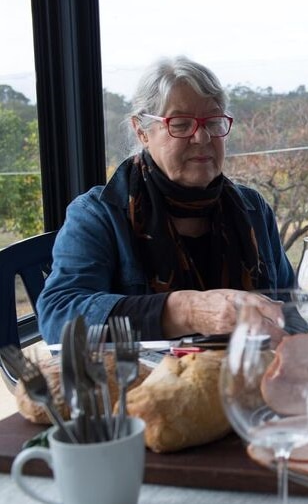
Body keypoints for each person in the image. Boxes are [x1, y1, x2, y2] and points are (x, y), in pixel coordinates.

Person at [37, 56, 294, 344]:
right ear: (142, 131)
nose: (201, 136)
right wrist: (186, 311)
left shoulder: (252, 208)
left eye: (212, 121)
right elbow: (58, 317)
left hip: (246, 379)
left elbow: (292, 309)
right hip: (145, 384)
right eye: (181, 124)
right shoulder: (99, 213)